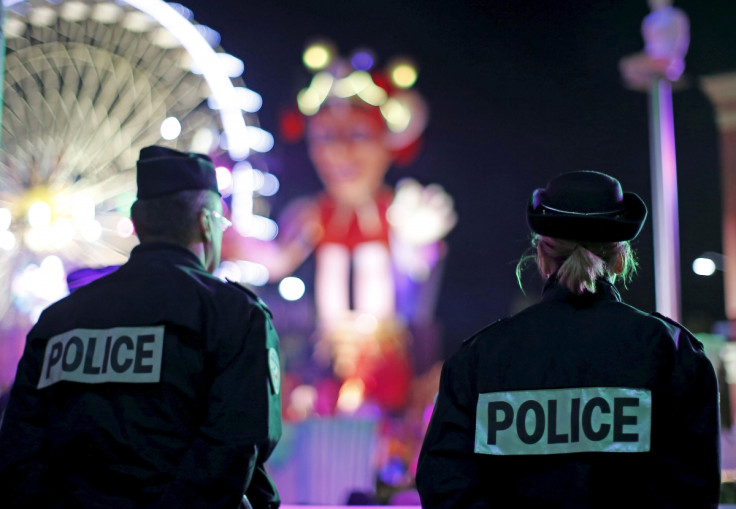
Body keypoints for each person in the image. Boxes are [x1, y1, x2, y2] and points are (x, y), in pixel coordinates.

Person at [416, 171, 721, 507]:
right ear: (619, 257)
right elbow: (692, 490)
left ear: (542, 255)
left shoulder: (480, 358)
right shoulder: (673, 352)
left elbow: (445, 488)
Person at [0, 146, 282, 508]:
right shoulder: (234, 316)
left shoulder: (58, 321)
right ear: (206, 222)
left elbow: (18, 449)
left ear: (137, 222)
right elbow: (235, 448)